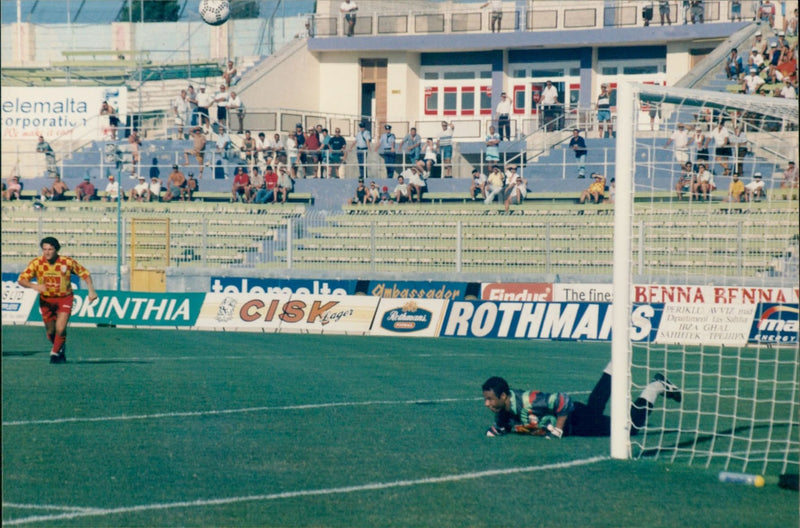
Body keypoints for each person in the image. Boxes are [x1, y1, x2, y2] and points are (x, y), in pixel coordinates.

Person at [481, 366, 681, 438]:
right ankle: (614, 365)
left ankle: (656, 386)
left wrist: (558, 429)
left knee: (629, 429)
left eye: (490, 399)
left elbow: (562, 400)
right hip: (577, 419)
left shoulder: (528, 400)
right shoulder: (504, 410)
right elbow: (506, 423)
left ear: (504, 396)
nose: (487, 404)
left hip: (576, 419)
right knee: (595, 406)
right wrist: (499, 429)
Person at [17, 237, 99, 364]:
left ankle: (54, 354)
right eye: (44, 249)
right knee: (51, 332)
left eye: (50, 249)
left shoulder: (67, 262)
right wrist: (35, 286)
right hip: (46, 301)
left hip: (64, 299)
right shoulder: (36, 263)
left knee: (60, 329)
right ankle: (60, 347)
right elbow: (21, 280)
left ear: (56, 250)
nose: (47, 252)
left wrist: (91, 290)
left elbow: (85, 274)